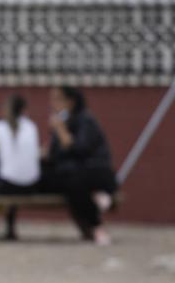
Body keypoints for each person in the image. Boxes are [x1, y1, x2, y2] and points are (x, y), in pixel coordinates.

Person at [40, 86, 118, 245]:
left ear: (71, 101)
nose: (54, 104)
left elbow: (79, 149)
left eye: (58, 99)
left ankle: (96, 225)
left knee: (74, 182)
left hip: (92, 172)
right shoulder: (62, 121)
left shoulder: (85, 120)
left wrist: (61, 130)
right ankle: (97, 213)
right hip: (70, 175)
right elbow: (55, 154)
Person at [0, 93, 41, 240]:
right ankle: (7, 227)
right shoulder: (31, 126)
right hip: (31, 185)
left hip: (7, 186)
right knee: (6, 174)